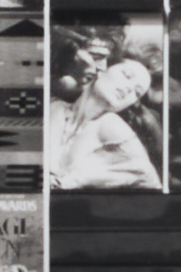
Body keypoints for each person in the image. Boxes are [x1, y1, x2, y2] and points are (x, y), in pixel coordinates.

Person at [52, 45, 163, 192]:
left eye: (137, 92)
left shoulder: (114, 129)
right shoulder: (54, 107)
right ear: (102, 69)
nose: (129, 88)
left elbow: (152, 184)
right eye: (127, 75)